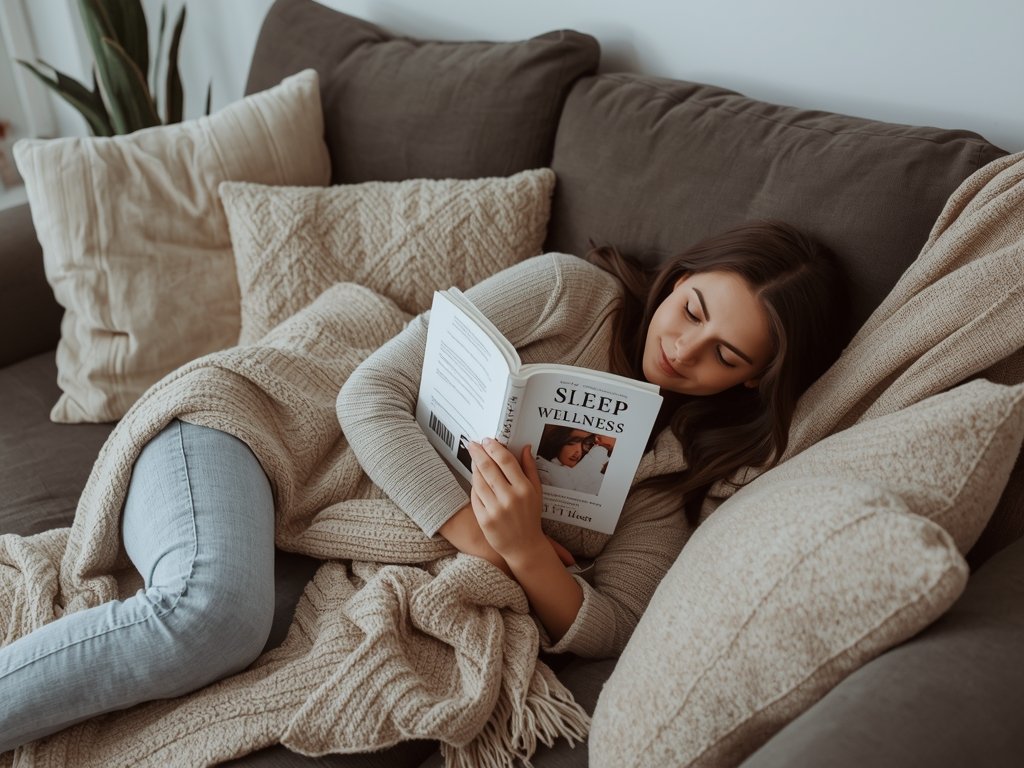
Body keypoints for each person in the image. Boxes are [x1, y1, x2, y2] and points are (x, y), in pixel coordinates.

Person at [0, 219, 847, 752]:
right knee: (215, 616)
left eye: (725, 357)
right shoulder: (570, 289)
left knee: (234, 632)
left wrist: (522, 549)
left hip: (301, 510)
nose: (684, 351)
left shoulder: (669, 476)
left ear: (753, 383)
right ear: (681, 274)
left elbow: (610, 622)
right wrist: (476, 534)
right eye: (693, 310)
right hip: (254, 425)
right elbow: (368, 393)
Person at [534, 426, 610, 494]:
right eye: (571, 443)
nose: (578, 451)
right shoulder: (542, 467)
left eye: (586, 445)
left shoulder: (593, 475)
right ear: (558, 442)